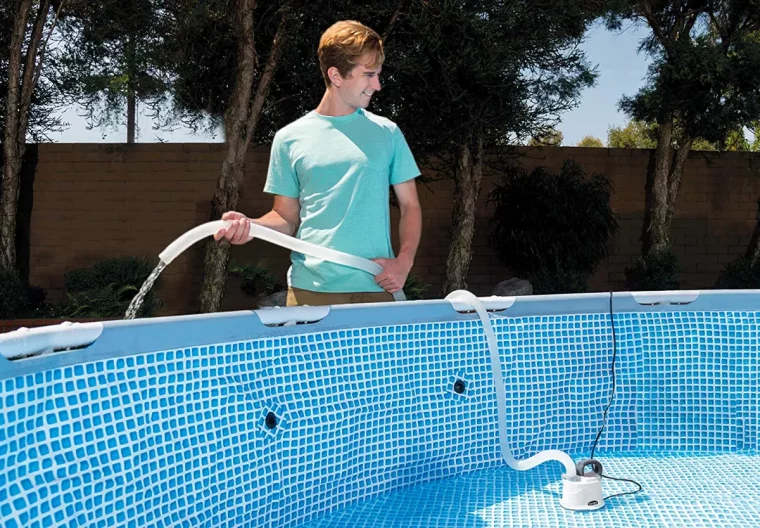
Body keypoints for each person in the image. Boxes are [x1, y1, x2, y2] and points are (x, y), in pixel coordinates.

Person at [214, 20, 422, 307]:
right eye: (369, 75)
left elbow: (410, 206)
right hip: (310, 292)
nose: (377, 85)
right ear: (336, 75)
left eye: (378, 75)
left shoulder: (387, 133)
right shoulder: (290, 139)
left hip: (376, 288)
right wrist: (250, 226)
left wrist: (404, 262)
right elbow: (286, 218)